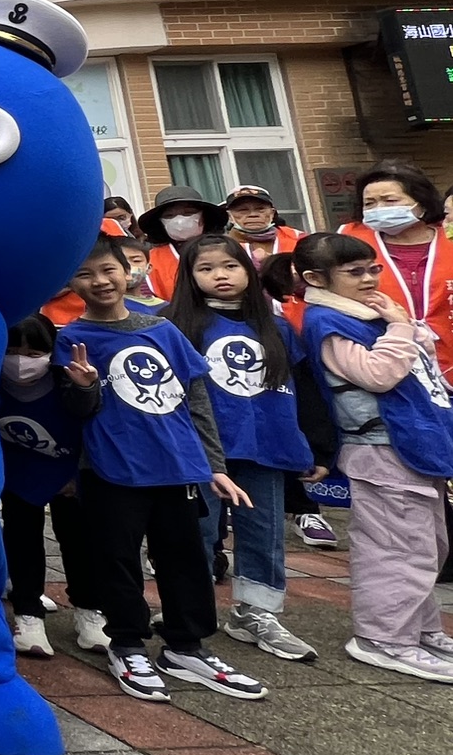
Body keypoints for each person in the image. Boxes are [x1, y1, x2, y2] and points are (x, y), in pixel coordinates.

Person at [57, 235, 267, 704]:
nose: (100, 281)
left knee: (186, 556)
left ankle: (186, 645)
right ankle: (127, 644)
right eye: (85, 274)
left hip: (175, 467)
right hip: (112, 469)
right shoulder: (72, 338)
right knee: (117, 559)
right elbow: (74, 412)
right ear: (70, 282)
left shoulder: (162, 329)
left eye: (108, 270)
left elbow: (196, 401)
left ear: (126, 270)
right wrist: (86, 387)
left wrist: (213, 465)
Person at [296, 231, 453, 679]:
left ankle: (420, 630)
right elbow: (378, 374)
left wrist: (403, 328)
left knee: (425, 547)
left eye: (372, 269)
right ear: (316, 278)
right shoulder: (329, 321)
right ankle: (383, 638)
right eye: (354, 272)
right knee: (396, 550)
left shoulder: (368, 314)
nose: (368, 279)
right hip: (381, 450)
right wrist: (402, 329)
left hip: (407, 448)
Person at [167, 234, 321, 663]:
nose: (220, 275)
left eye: (230, 266)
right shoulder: (174, 325)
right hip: (200, 449)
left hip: (266, 444)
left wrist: (320, 447)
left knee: (263, 530)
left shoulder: (276, 327)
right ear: (190, 276)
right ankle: (188, 609)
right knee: (195, 530)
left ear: (248, 273)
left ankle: (258, 613)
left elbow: (308, 389)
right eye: (207, 268)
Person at [0, 315, 104, 656]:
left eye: (34, 352)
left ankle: (89, 612)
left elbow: (90, 418)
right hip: (18, 473)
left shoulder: (65, 380)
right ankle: (28, 615)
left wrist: (86, 387)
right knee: (22, 540)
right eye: (13, 351)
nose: (22, 362)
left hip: (68, 472)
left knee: (79, 542)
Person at [342, 161, 453, 384]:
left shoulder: (450, 234)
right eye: (369, 203)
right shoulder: (348, 240)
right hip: (390, 361)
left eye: (390, 201)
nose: (379, 209)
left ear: (421, 203)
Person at [135, 186, 225, 301]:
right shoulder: (149, 260)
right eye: (169, 216)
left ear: (204, 217)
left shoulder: (229, 250)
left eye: (188, 213)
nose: (180, 220)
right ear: (160, 223)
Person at [224, 185, 300, 268]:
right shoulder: (221, 245)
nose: (253, 215)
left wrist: (270, 260)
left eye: (260, 209)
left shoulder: (297, 237)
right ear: (230, 216)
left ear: (272, 213)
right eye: (243, 210)